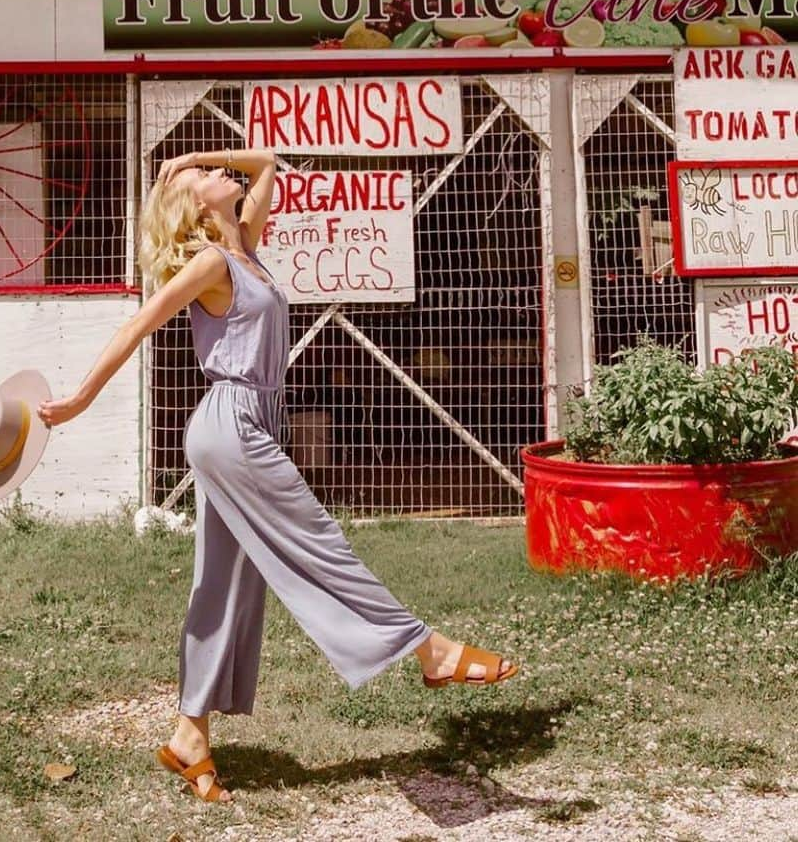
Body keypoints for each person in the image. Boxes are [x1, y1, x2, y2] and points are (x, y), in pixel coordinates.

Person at [37, 148, 518, 804]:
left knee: (223, 584)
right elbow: (137, 326)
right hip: (230, 422)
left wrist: (195, 158)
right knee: (316, 536)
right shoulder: (208, 263)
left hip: (249, 423)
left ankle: (189, 736)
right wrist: (79, 400)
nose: (221, 175)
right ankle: (425, 651)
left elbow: (265, 163)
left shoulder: (245, 247)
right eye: (205, 177)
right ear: (194, 204)